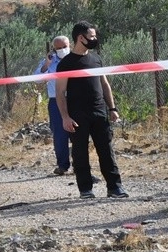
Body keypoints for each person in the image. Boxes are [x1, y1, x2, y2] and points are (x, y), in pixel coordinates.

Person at [55, 21, 128, 199]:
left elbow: (104, 84)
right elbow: (60, 92)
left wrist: (112, 108)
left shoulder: (96, 59)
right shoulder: (66, 64)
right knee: (80, 153)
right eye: (92, 36)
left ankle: (115, 187)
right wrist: (65, 117)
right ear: (81, 38)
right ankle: (86, 189)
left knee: (106, 150)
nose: (95, 39)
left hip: (99, 112)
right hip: (77, 115)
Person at [34, 35, 71, 175]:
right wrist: (47, 64)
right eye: (59, 48)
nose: (62, 50)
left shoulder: (75, 59)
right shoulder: (50, 61)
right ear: (53, 49)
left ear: (70, 45)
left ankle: (81, 165)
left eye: (64, 47)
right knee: (59, 134)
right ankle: (63, 166)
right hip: (56, 101)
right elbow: (37, 79)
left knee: (78, 133)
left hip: (74, 99)